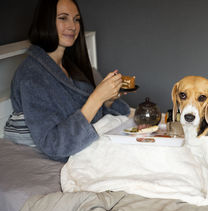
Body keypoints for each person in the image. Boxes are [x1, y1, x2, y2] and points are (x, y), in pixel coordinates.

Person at [4, 0, 133, 162]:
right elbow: (53, 144)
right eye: (63, 18)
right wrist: (96, 98)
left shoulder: (72, 65)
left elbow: (93, 117)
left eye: (76, 19)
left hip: (93, 143)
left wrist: (107, 101)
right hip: (71, 154)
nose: (72, 26)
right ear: (45, 22)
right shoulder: (31, 76)